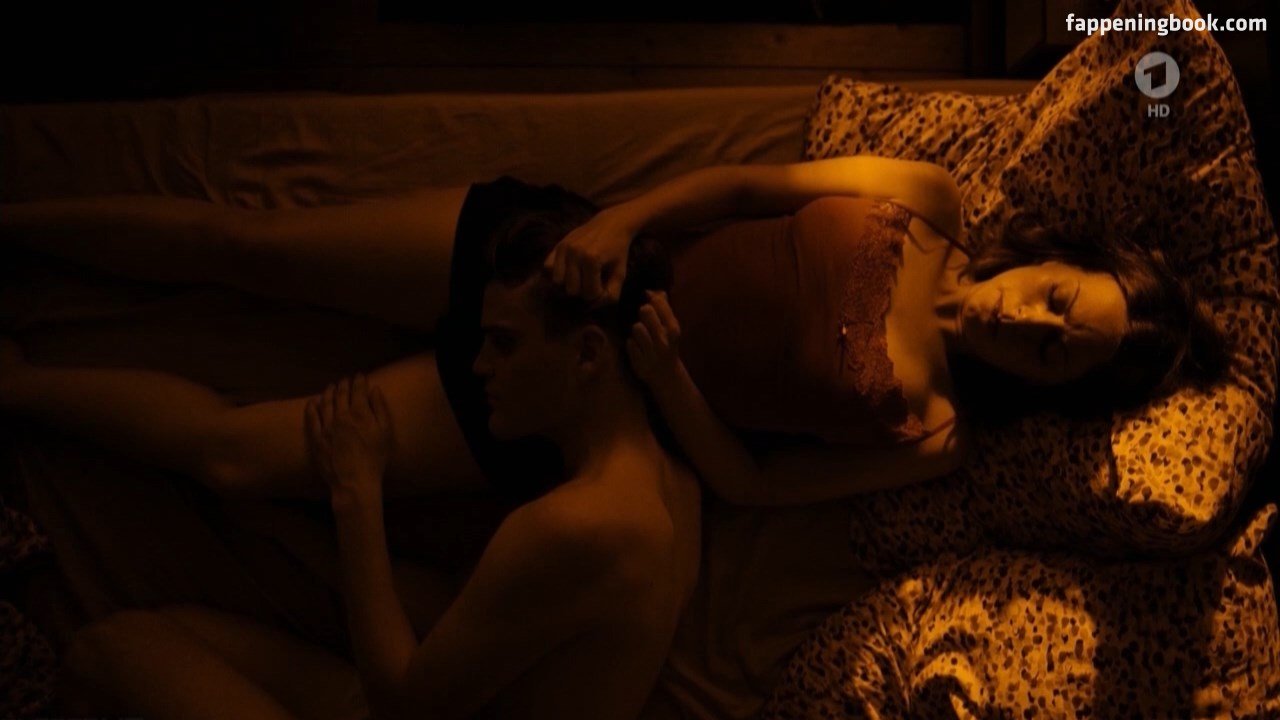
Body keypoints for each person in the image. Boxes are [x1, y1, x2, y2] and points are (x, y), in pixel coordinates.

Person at [0, 155, 1225, 507]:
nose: (1027, 323)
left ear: (1049, 390)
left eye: (1055, 353)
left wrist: (670, 383)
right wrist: (622, 219)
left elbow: (749, 486)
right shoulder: (929, 201)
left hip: (582, 392)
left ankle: (12, 384)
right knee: (252, 250)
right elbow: (747, 187)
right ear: (1057, 260)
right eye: (1058, 301)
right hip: (574, 251)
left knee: (238, 459)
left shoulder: (937, 433)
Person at [29, 193, 702, 720]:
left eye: (504, 343)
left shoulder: (572, 525)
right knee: (157, 640)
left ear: (588, 355)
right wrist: (298, 538)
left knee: (103, 654)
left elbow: (403, 706)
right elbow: (486, 622)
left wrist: (357, 492)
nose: (478, 365)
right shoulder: (678, 484)